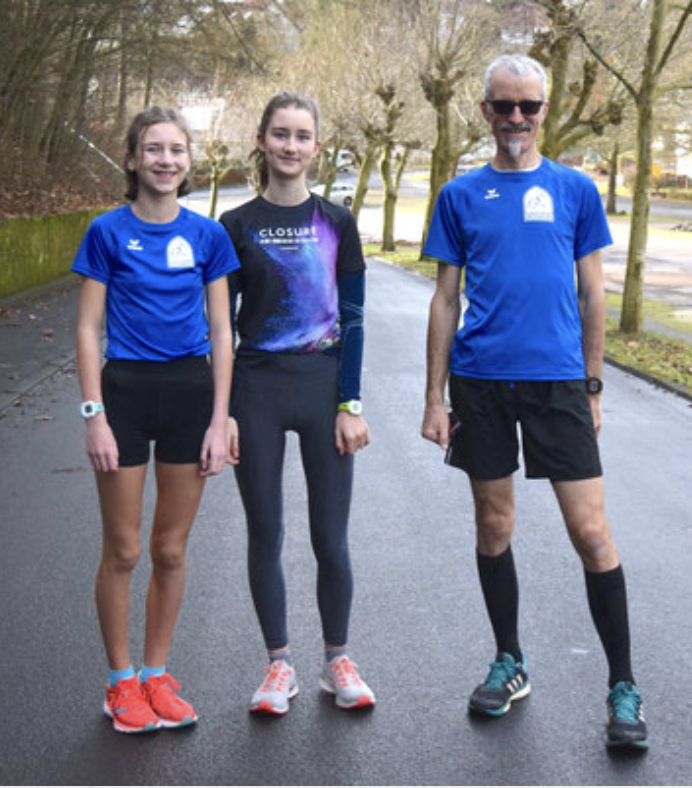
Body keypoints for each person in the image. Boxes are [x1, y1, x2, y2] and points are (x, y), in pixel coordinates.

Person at [419, 53, 646, 750]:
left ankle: (624, 687)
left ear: (544, 110)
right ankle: (510, 661)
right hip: (482, 383)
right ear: (484, 111)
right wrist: (434, 396)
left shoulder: (576, 190)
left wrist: (594, 382)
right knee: (494, 525)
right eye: (504, 105)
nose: (517, 118)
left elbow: (593, 293)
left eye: (529, 106)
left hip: (556, 385)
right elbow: (445, 299)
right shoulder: (459, 196)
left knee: (592, 534)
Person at [73, 106, 239, 734]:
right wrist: (94, 414)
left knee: (171, 549)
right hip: (125, 392)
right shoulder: (106, 232)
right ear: (132, 158)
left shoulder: (208, 237)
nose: (166, 160)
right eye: (153, 149)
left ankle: (156, 674)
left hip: (191, 394)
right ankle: (120, 683)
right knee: (124, 548)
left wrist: (221, 417)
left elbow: (223, 332)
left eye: (176, 149)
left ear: (189, 161)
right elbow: (89, 329)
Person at [219, 92, 375, 715]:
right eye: (280, 134)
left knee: (330, 539)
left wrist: (351, 402)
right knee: (266, 532)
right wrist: (222, 410)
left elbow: (356, 317)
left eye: (302, 135)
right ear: (262, 141)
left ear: (317, 145)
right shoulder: (233, 226)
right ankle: (278, 665)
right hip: (256, 388)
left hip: (322, 387)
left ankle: (337, 660)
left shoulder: (337, 222)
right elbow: (219, 326)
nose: (290, 145)